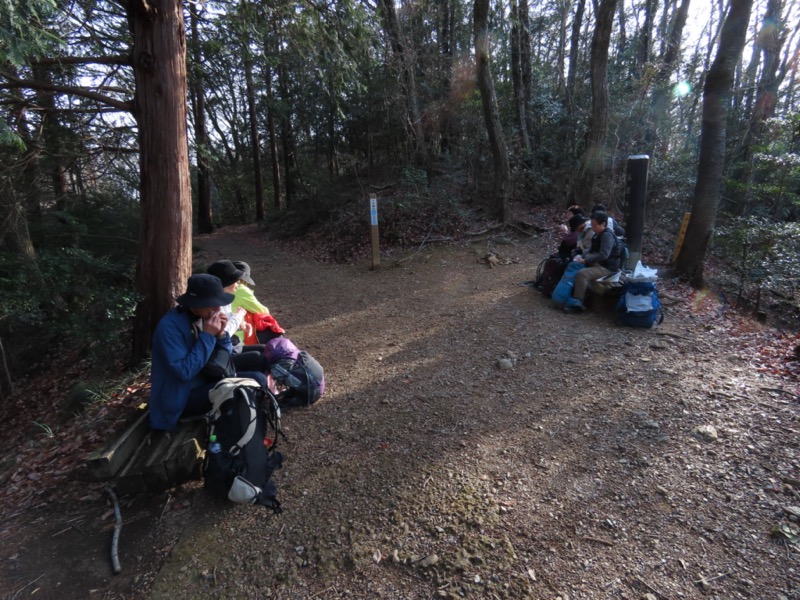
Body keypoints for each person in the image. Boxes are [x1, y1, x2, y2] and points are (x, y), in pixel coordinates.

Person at [149, 274, 268, 431]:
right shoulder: (170, 327)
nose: (218, 309)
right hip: (180, 398)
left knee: (259, 366)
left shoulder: (203, 315)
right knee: (255, 382)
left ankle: (253, 432)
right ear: (196, 303)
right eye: (213, 304)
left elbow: (226, 356)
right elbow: (184, 372)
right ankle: (245, 437)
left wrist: (222, 335)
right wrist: (207, 336)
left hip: (206, 377)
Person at [564, 212, 621, 314]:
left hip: (607, 268)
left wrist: (586, 260)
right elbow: (591, 250)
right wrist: (581, 255)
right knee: (575, 265)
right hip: (599, 264)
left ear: (603, 224)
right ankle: (568, 294)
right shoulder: (598, 234)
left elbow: (604, 255)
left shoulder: (607, 235)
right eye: (592, 225)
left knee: (582, 274)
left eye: (595, 225)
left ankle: (578, 303)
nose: (593, 227)